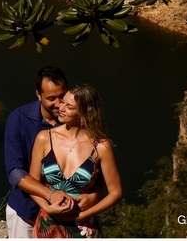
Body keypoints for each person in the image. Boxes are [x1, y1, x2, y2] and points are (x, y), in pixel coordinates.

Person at [4, 67, 100, 238]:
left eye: (62, 96)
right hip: (25, 211)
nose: (58, 104)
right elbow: (15, 172)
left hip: (70, 216)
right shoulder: (18, 119)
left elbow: (98, 168)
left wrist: (94, 196)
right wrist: (51, 195)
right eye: (51, 98)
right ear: (38, 95)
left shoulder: (77, 119)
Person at [28, 83, 122, 238]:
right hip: (47, 225)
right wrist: (47, 207)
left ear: (85, 113)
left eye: (69, 106)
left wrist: (85, 215)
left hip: (84, 228)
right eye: (63, 102)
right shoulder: (44, 138)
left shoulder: (101, 147)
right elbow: (33, 183)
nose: (61, 108)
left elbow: (116, 193)